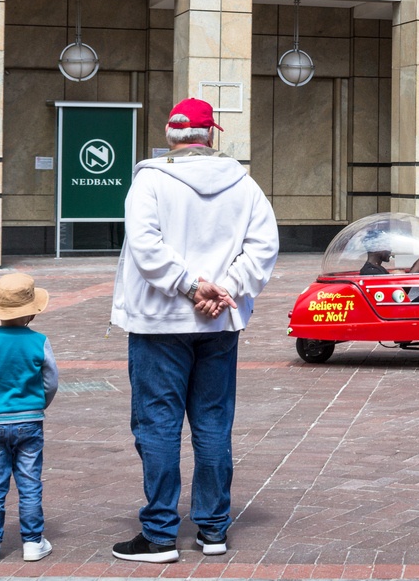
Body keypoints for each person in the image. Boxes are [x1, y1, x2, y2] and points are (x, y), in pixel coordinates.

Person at [110, 97, 280, 563]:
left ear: (171, 133)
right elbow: (264, 246)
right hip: (219, 322)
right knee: (212, 422)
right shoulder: (244, 185)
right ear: (211, 135)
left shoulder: (149, 181)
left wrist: (190, 286)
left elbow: (146, 247)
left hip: (158, 323)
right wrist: (224, 288)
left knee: (158, 423)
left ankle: (160, 534)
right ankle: (213, 529)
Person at [0, 273, 58, 564]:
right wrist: (38, 404)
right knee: (30, 481)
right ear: (32, 310)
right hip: (30, 421)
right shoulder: (39, 341)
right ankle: (33, 542)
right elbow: (51, 381)